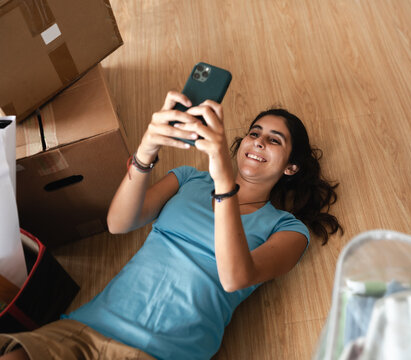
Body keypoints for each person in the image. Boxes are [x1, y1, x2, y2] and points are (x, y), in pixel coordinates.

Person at [0, 91, 342, 360]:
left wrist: (225, 182)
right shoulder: (189, 179)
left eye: (275, 140)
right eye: (255, 133)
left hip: (159, 351)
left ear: (290, 168)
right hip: (85, 328)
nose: (259, 142)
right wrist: (147, 149)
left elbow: (235, 277)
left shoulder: (287, 230)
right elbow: (119, 223)